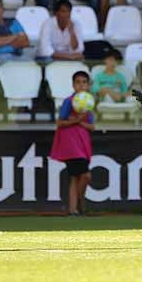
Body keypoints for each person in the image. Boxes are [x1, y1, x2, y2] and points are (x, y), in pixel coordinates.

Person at [50, 70, 95, 216]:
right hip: (70, 144)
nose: (81, 85)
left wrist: (80, 121)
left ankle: (73, 209)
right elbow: (60, 122)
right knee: (85, 175)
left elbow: (92, 126)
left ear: (88, 85)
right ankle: (80, 202)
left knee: (76, 177)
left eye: (84, 82)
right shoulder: (69, 101)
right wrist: (76, 120)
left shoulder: (88, 102)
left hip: (82, 143)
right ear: (73, 85)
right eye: (78, 82)